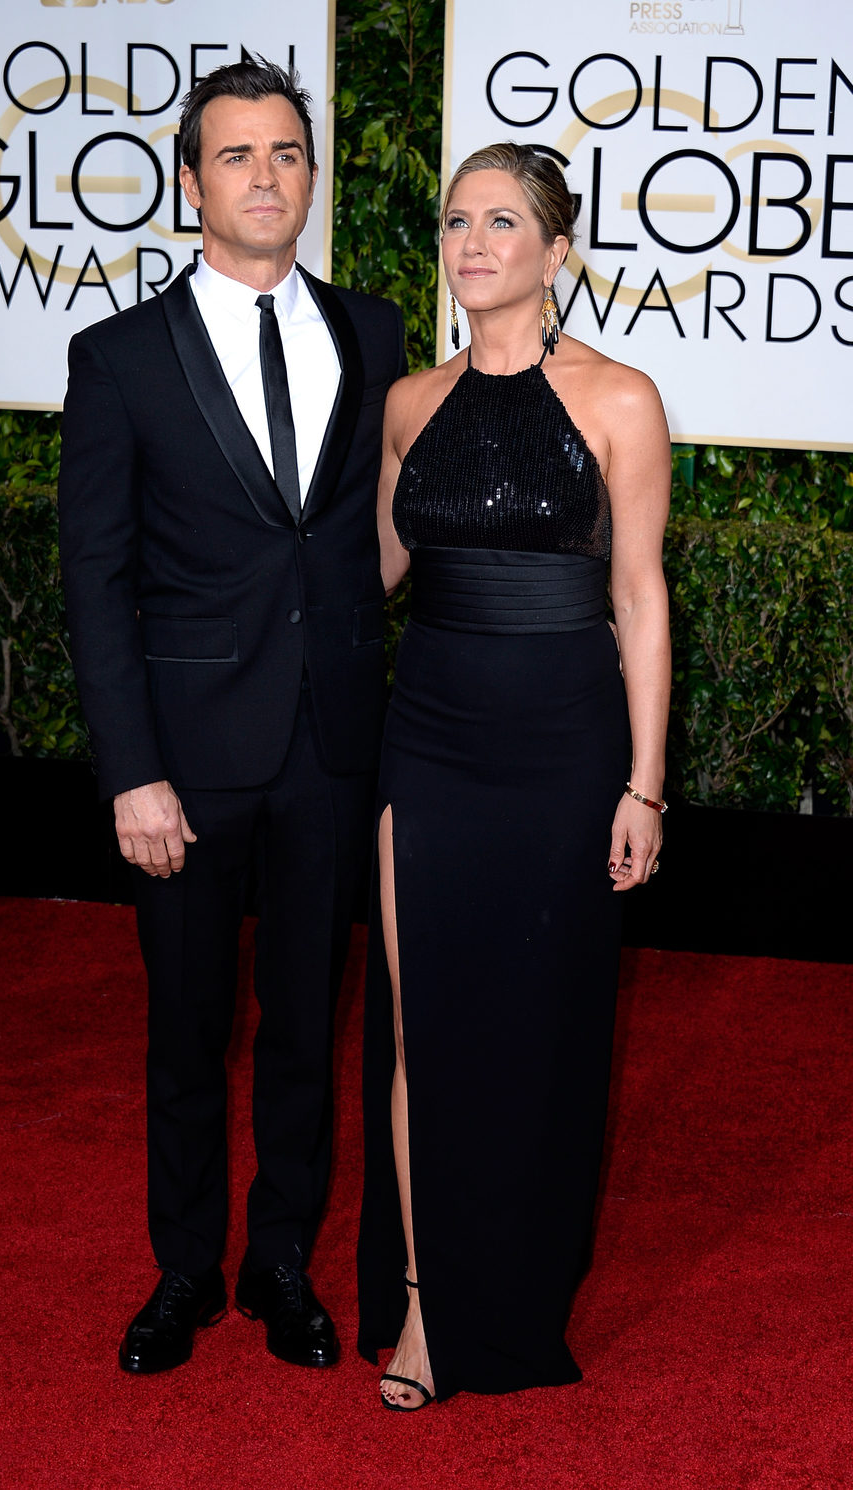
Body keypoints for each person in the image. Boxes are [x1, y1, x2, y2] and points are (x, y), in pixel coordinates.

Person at [58, 58, 405, 1377]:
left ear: (311, 176)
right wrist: (130, 772)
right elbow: (95, 577)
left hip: (332, 742)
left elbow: (371, 531)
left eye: (288, 154)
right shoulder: (120, 356)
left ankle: (282, 1260)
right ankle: (184, 1268)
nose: (268, 176)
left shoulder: (374, 331)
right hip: (186, 763)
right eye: (239, 155)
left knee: (312, 1022)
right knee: (188, 1023)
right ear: (191, 181)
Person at [357, 143, 671, 1409]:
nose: (472, 242)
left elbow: (641, 598)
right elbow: (366, 576)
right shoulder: (407, 404)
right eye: (456, 221)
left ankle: (519, 1291)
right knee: (414, 1020)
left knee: (539, 1031)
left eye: (502, 221)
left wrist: (644, 784)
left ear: (558, 251)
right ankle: (428, 1306)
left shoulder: (621, 399)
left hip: (563, 745)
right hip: (426, 733)